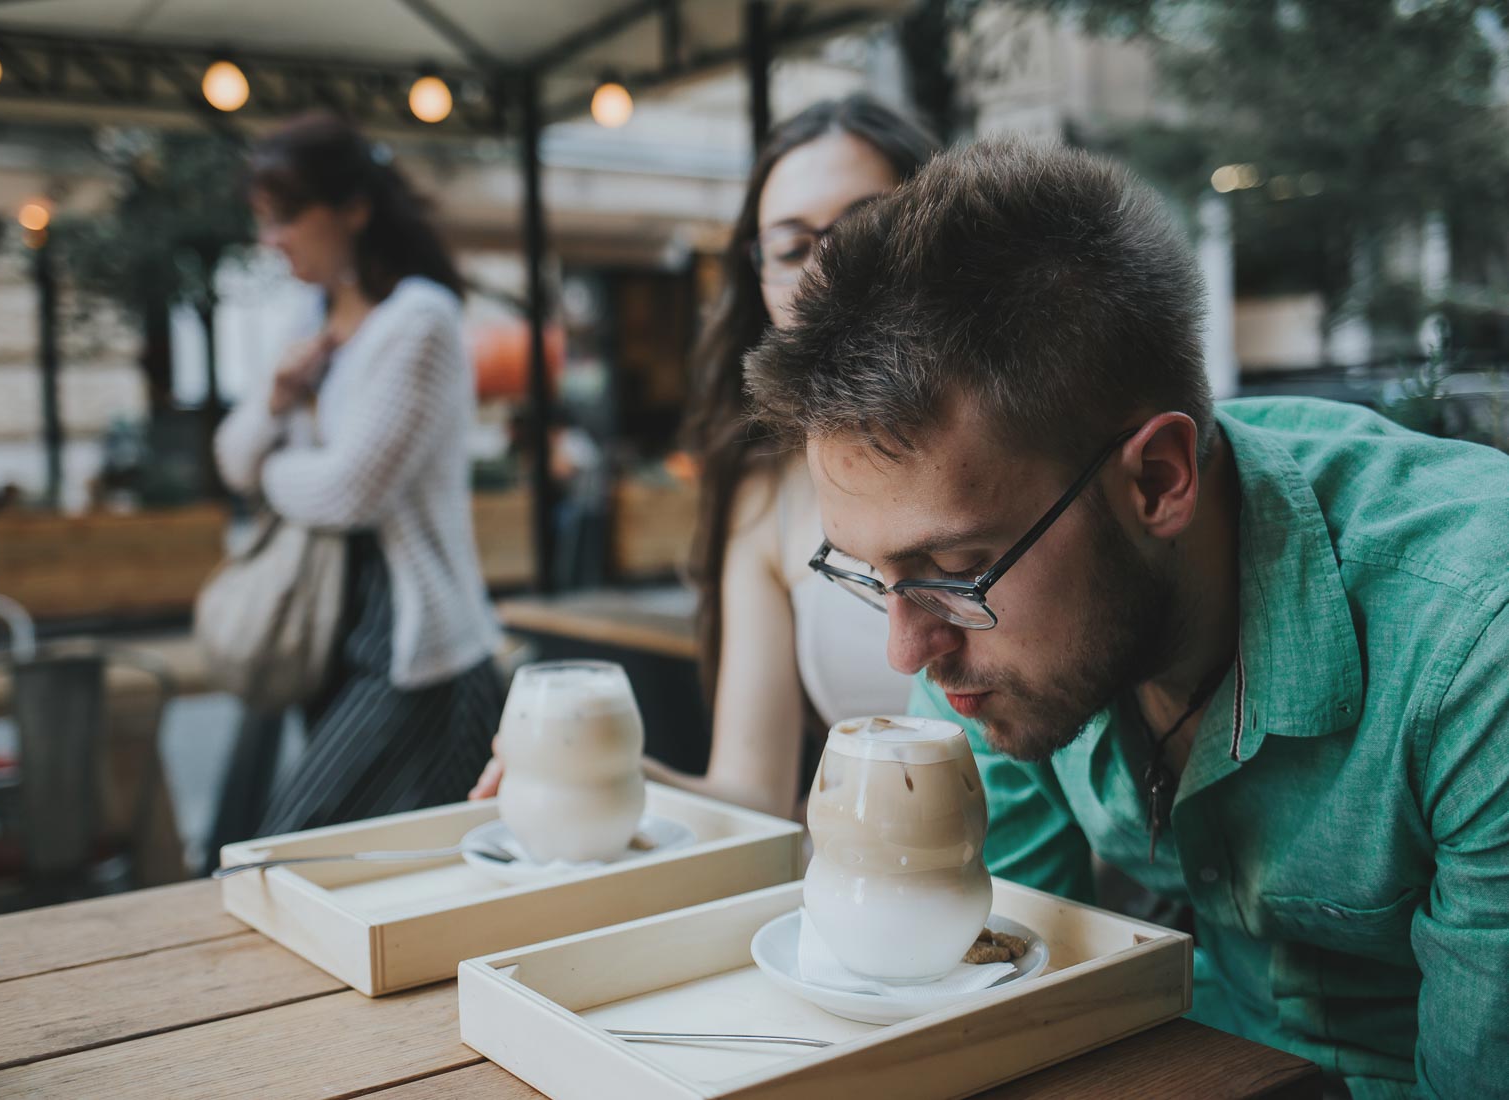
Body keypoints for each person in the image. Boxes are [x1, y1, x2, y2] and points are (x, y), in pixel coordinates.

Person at [742, 135, 1509, 1097]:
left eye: (957, 570)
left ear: (1157, 480)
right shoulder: (976, 645)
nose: (908, 649)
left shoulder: (1475, 646)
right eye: (872, 575)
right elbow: (1013, 1014)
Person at [470, 96, 938, 817]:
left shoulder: (1027, 433)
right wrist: (607, 774)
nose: (827, 269)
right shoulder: (766, 492)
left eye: (865, 229)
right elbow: (751, 798)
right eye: (792, 248)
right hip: (876, 872)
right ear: (758, 280)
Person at [214, 112, 503, 833]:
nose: (271, 239)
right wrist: (278, 397)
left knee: (292, 844)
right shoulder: (305, 320)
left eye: (286, 217)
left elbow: (350, 493)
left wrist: (271, 469)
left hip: (411, 642)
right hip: (325, 628)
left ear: (353, 209)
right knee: (392, 861)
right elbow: (230, 459)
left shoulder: (419, 320)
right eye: (264, 220)